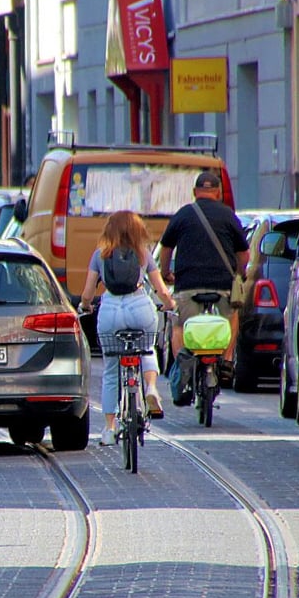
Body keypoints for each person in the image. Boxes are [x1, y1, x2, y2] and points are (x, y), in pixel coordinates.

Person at [79, 210, 176, 446]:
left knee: (111, 370)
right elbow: (161, 290)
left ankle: (110, 429)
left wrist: (85, 305)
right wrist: (170, 304)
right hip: (140, 308)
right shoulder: (143, 254)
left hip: (111, 312)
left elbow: (87, 293)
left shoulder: (99, 255)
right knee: (147, 350)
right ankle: (151, 387)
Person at [158, 171, 249, 383]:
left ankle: (184, 367)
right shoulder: (228, 215)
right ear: (218, 193)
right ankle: (226, 360)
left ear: (194, 193)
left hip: (188, 285)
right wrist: (239, 274)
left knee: (180, 324)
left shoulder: (183, 214)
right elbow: (244, 254)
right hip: (222, 285)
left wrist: (165, 273)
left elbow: (166, 248)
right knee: (232, 316)